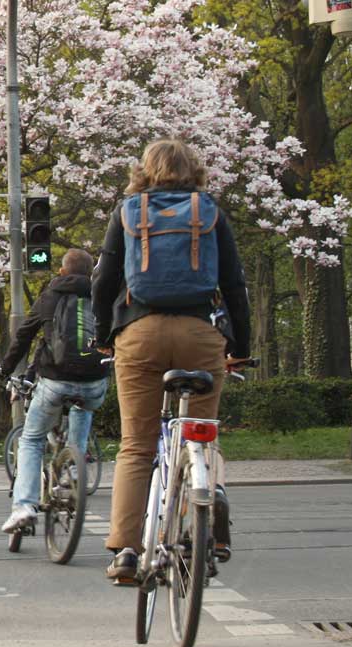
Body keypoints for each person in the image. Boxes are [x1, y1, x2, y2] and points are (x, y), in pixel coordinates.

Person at [92, 139, 251, 584]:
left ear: (145, 170)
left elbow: (104, 280)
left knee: (138, 446)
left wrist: (103, 335)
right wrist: (239, 346)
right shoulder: (210, 212)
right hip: (201, 335)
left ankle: (126, 550)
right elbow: (234, 284)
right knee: (200, 438)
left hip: (139, 336)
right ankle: (203, 513)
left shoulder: (127, 211)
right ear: (193, 169)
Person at [0, 249, 111, 533]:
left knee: (32, 440)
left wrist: (5, 368)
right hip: (95, 382)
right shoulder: (103, 296)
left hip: (55, 380)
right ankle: (72, 468)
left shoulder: (50, 296)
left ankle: (24, 506)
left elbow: (23, 336)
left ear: (62, 271)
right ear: (91, 273)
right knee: (83, 408)